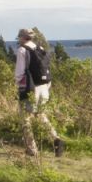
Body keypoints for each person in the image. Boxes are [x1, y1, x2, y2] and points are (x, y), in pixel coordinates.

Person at [14, 28, 64, 157]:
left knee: (25, 119)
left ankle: (32, 149)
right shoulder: (40, 49)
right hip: (44, 88)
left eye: (19, 37)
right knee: (41, 115)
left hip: (31, 89)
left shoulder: (22, 50)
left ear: (22, 37)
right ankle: (56, 139)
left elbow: (19, 73)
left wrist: (19, 86)